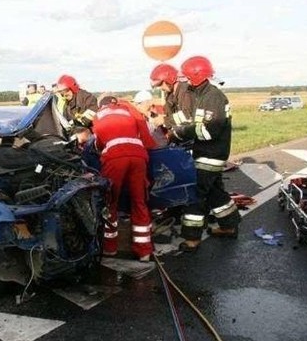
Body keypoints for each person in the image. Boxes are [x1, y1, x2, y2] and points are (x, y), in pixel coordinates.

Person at [170, 56, 242, 252]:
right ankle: (229, 225)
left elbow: (208, 131)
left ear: (195, 76)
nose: (183, 81)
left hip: (210, 154)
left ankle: (192, 239)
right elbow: (191, 119)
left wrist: (180, 133)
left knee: (196, 195)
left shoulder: (213, 97)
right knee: (214, 192)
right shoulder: (201, 94)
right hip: (206, 152)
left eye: (185, 77)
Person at [92, 98, 157, 261]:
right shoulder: (128, 109)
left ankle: (109, 248)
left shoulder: (99, 115)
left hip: (114, 157)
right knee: (139, 201)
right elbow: (144, 130)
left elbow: (99, 143)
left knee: (109, 202)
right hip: (138, 155)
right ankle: (144, 251)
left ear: (102, 105)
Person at [149, 63, 194, 131]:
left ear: (169, 79)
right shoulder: (170, 95)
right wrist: (158, 117)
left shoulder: (186, 91)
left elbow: (187, 115)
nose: (160, 88)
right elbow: (169, 114)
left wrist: (164, 121)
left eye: (160, 84)